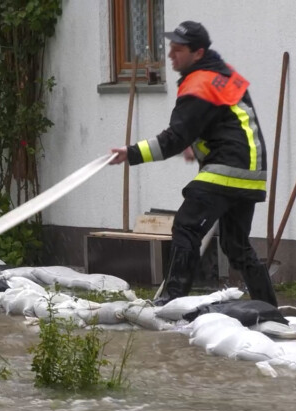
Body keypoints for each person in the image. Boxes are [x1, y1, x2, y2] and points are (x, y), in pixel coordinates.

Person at [108, 21, 276, 307]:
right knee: (235, 246)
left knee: (186, 227)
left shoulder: (199, 84)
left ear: (197, 53)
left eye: (178, 49)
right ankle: (269, 306)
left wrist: (131, 153)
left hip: (227, 168)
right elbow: (221, 123)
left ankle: (173, 301)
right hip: (251, 171)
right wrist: (194, 144)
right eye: (170, 48)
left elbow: (174, 138)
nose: (171, 54)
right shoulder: (220, 73)